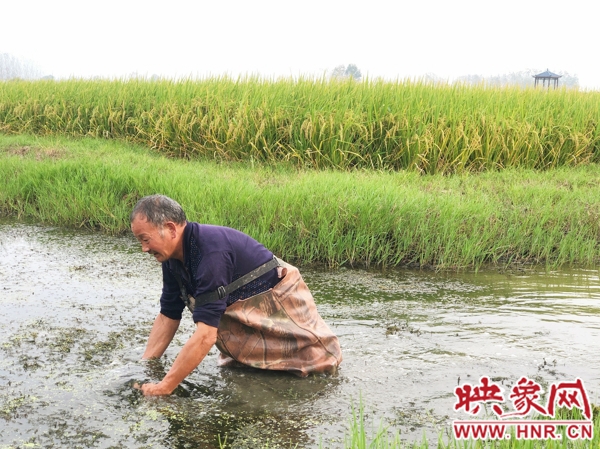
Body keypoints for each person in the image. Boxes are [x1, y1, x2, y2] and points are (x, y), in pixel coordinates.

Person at [130, 194, 342, 396]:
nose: (144, 248)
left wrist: (165, 386)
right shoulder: (171, 259)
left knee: (316, 366)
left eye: (145, 239)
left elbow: (205, 335)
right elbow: (168, 315)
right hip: (246, 320)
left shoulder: (210, 253)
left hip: (279, 304)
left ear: (170, 229)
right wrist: (147, 365)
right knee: (241, 375)